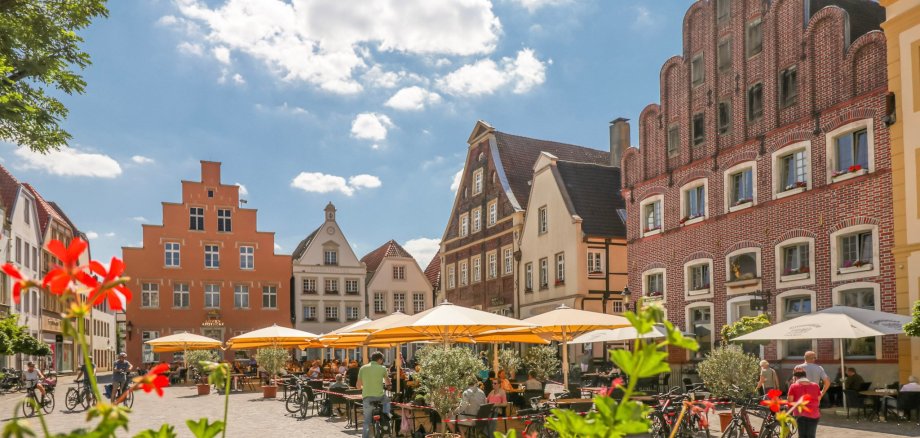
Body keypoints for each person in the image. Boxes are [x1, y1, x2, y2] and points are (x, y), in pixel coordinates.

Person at [357, 351, 391, 438]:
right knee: (387, 400)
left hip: (367, 397)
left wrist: (364, 387)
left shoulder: (363, 368)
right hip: (380, 397)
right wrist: (388, 386)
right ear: (379, 360)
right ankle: (387, 415)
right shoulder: (382, 368)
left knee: (367, 421)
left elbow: (358, 386)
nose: (382, 362)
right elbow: (387, 382)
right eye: (382, 360)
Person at [787, 365, 821, 438]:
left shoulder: (793, 386)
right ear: (806, 376)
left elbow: (790, 402)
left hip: (800, 414)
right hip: (814, 413)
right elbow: (818, 400)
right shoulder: (815, 385)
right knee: (811, 435)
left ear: (795, 377)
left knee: (802, 435)